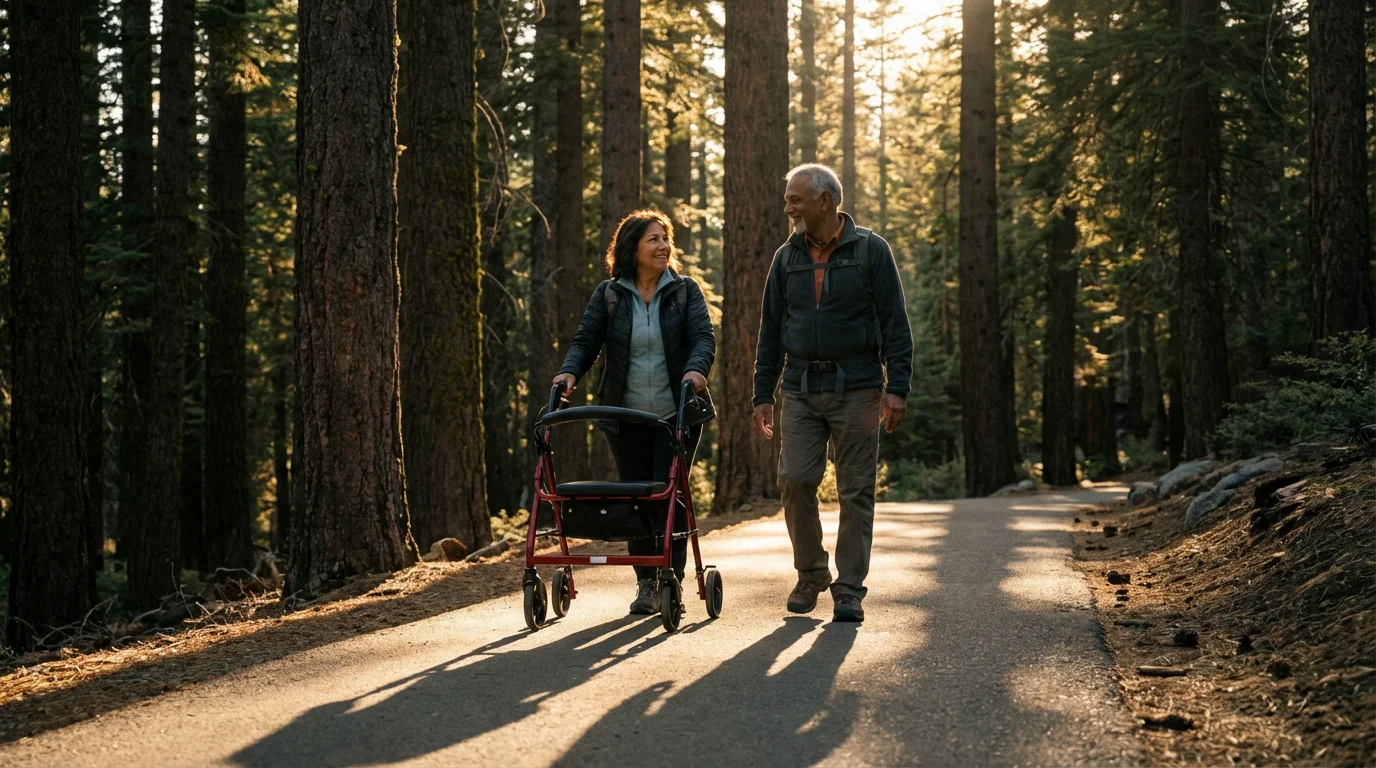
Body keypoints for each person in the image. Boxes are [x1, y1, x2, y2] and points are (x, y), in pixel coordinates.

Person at [752, 163, 913, 623]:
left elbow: (895, 325)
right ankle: (811, 573)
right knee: (795, 479)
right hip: (800, 387)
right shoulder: (786, 258)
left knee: (855, 490)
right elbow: (770, 332)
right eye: (787, 199)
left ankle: (848, 589)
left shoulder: (871, 251)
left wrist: (896, 388)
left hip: (858, 387)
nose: (788, 208)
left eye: (795, 200)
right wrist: (762, 394)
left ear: (825, 201)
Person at [553, 209, 716, 615]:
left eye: (666, 239)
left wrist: (696, 370)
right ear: (633, 248)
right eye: (654, 239)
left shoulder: (684, 290)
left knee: (668, 494)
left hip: (675, 414)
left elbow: (703, 337)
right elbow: (586, 341)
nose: (663, 246)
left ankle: (669, 577)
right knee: (636, 497)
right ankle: (646, 582)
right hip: (625, 418)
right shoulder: (610, 294)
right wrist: (568, 373)